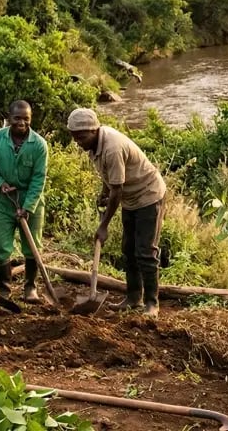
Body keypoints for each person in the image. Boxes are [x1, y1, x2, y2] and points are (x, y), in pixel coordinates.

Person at [68, 107, 166, 317]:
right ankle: (133, 298)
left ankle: (152, 304)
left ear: (94, 130)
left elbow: (117, 190)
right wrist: (104, 193)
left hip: (148, 195)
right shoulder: (94, 145)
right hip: (130, 199)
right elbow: (110, 178)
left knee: (146, 252)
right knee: (128, 249)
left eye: (81, 137)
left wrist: (103, 225)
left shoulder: (112, 147)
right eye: (75, 137)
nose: (78, 142)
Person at [0, 100, 48, 301]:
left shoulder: (39, 145)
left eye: (26, 119)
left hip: (31, 199)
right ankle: (4, 289)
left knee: (32, 245)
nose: (21, 122)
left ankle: (30, 288)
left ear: (31, 119)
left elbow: (39, 178)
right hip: (4, 200)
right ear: (9, 118)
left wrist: (28, 207)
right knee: (0, 245)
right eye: (17, 118)